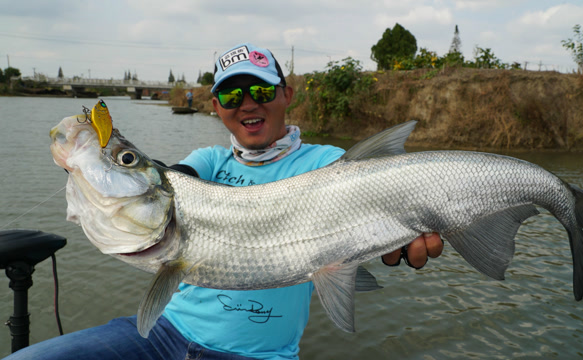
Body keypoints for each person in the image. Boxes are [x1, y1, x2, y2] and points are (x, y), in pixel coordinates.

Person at [5, 43, 443, 360]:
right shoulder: (208, 162)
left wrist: (400, 228)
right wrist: (105, 162)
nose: (248, 104)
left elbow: (374, 189)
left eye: (262, 91)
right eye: (233, 96)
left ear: (287, 94)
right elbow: (171, 181)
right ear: (216, 106)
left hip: (259, 356)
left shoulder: (327, 164)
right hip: (161, 336)